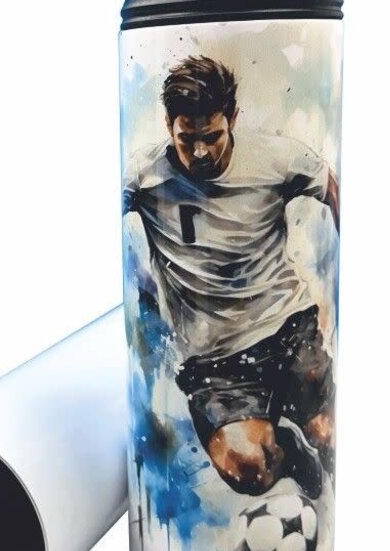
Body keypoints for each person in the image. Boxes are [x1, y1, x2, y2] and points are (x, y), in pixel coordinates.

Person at [124, 55, 339, 499]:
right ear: (168, 125)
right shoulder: (142, 177)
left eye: (212, 137)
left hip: (287, 328)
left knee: (327, 433)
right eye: (187, 139)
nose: (200, 152)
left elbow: (332, 188)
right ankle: (287, 451)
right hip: (214, 362)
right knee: (248, 470)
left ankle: (306, 431)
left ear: (232, 119)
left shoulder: (277, 158)